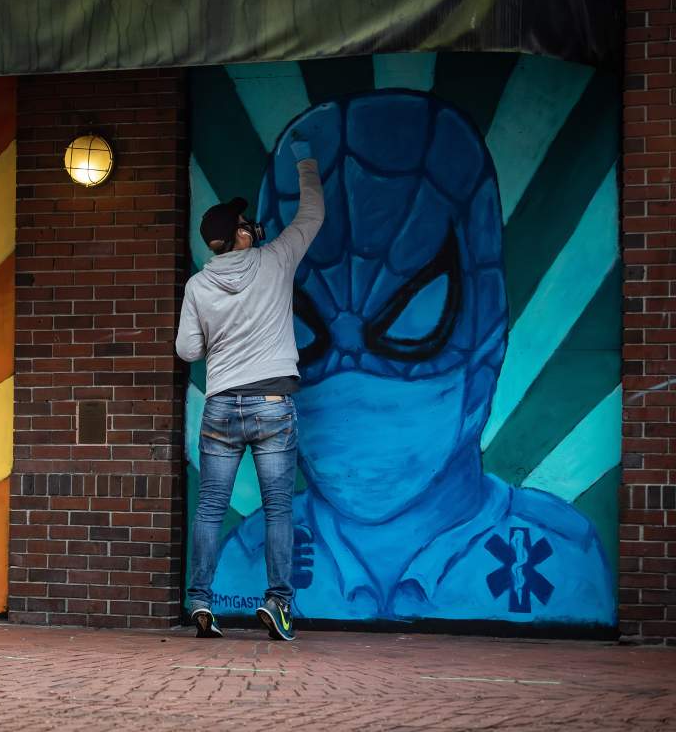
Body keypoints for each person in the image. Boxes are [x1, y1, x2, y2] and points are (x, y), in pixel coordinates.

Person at [213, 92, 613, 624]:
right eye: (306, 330)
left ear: (487, 338)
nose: (353, 373)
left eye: (410, 322)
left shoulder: (563, 566)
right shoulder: (243, 564)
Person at [176, 130, 324, 640]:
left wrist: (222, 331)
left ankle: (200, 602)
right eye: (244, 223)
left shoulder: (198, 284)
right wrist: (306, 162)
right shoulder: (274, 260)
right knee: (279, 506)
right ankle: (278, 603)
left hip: (220, 407)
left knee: (211, 507)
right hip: (271, 404)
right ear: (238, 236)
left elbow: (188, 351)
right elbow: (312, 217)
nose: (251, 226)